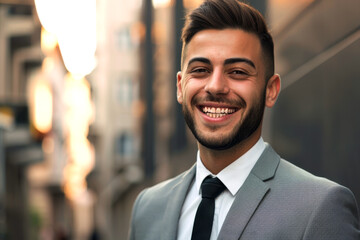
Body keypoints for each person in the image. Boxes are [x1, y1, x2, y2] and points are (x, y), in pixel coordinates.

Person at [128, 0, 360, 239]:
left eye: (238, 72)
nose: (215, 86)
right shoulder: (147, 208)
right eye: (200, 70)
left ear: (271, 90)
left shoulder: (320, 208)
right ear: (180, 87)